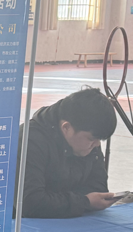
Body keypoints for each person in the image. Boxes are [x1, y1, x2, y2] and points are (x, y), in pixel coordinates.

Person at [17, 88, 118, 218]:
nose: (97, 145)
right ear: (66, 128)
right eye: (92, 139)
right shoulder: (29, 140)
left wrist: (73, 202)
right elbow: (30, 203)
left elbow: (99, 188)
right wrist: (85, 202)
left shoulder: (88, 139)